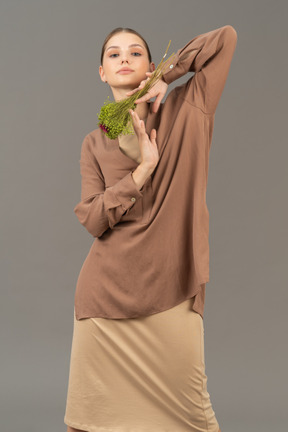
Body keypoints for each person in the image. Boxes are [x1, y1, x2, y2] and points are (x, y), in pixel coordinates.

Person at [64, 24, 237, 432]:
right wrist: (141, 173)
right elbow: (91, 217)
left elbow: (225, 39)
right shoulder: (94, 143)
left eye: (135, 52)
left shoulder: (190, 107)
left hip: (172, 288)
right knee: (90, 423)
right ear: (102, 73)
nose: (124, 58)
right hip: (104, 299)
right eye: (114, 54)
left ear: (149, 64)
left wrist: (166, 77)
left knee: (194, 420)